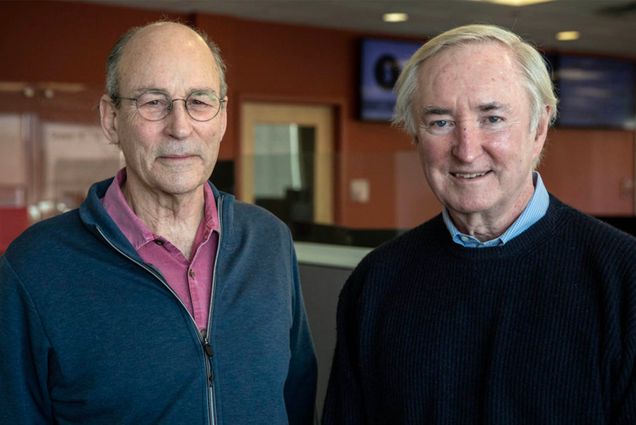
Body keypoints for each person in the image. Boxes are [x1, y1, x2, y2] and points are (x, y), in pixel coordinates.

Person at [0, 21, 317, 425]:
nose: (180, 127)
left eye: (199, 101)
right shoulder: (36, 267)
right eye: (153, 102)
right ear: (111, 119)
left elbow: (298, 397)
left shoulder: (268, 241)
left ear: (221, 117)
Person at [323, 24, 636, 424]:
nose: (467, 151)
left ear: (539, 128)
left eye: (492, 118)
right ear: (416, 136)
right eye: (441, 122)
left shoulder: (622, 279)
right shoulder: (377, 282)